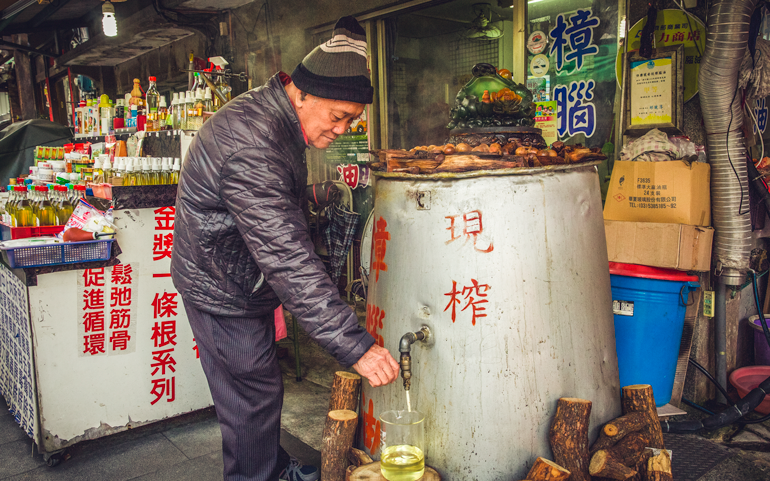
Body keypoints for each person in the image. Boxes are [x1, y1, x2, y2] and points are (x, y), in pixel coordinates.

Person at [171, 16, 400, 481]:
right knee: (251, 397)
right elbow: (288, 259)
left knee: (257, 393)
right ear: (303, 93)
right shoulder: (253, 143)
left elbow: (266, 202)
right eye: (339, 117)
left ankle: (271, 468)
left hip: (234, 272)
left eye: (353, 121)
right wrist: (355, 345)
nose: (344, 130)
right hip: (222, 287)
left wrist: (309, 194)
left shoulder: (273, 113)